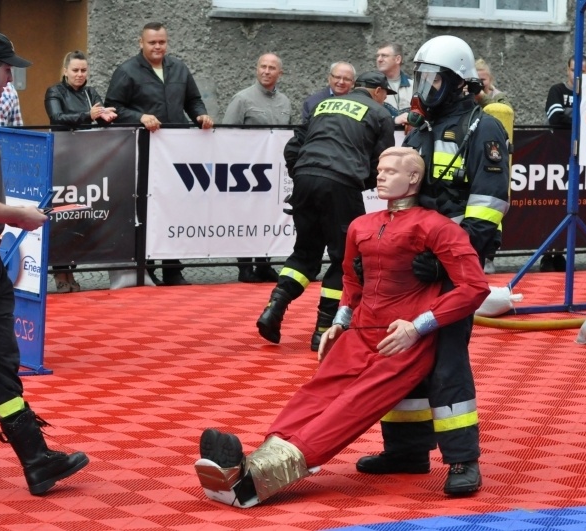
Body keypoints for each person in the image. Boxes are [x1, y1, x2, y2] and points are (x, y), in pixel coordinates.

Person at [195, 147, 490, 508]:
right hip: (360, 331)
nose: (379, 176)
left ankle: (253, 481)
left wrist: (418, 327)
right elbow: (352, 278)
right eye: (379, 169)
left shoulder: (436, 226)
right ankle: (252, 462)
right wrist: (339, 322)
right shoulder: (361, 225)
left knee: (350, 406)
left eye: (390, 171)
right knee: (314, 394)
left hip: (402, 339)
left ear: (414, 178)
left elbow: (474, 287)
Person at [356, 35, 510, 496]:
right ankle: (406, 451)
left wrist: (444, 261)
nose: (424, 85)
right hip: (412, 264)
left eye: (433, 77)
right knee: (399, 352)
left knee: (446, 362)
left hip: (453, 267)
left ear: (459, 84)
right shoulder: (421, 128)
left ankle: (463, 460)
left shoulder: (483, 130)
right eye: (420, 75)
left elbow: (486, 210)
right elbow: (405, 198)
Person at [0, 30, 89, 495]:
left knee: (1, 359)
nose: (11, 80)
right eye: (6, 70)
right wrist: (15, 214)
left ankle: (36, 459)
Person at [256, 71, 396, 352]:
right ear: (378, 91)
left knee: (305, 253)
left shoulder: (324, 105)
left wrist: (303, 173)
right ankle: (323, 330)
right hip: (342, 184)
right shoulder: (380, 115)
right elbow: (383, 162)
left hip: (305, 178)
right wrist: (358, 180)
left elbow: (292, 147)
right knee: (344, 258)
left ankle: (275, 306)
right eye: (385, 95)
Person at [105, 21, 214, 287]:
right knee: (148, 210)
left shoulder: (179, 68)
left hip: (176, 152)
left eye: (162, 42)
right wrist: (139, 117)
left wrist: (200, 114)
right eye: (152, 42)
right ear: (140, 43)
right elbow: (112, 109)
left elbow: (193, 100)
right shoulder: (126, 71)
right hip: (142, 152)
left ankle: (173, 270)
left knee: (176, 209)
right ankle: (147, 267)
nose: (157, 47)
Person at [44, 50, 117, 293]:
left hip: (86, 161)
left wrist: (107, 116)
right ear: (65, 71)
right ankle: (59, 273)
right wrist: (88, 115)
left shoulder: (91, 93)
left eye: (83, 70)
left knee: (79, 216)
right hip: (62, 159)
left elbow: (101, 118)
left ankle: (72, 270)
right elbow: (57, 117)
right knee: (61, 216)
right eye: (75, 70)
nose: (79, 74)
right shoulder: (55, 91)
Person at [222, 53, 290, 284]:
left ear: (280, 73)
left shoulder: (285, 102)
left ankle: (264, 264)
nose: (266, 71)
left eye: (272, 68)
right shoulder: (242, 99)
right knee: (245, 216)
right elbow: (227, 134)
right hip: (245, 171)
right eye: (263, 66)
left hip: (274, 172)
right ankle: (244, 266)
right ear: (256, 69)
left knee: (268, 216)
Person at [541, 55, 586, 272]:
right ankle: (547, 255)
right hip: (556, 157)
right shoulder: (557, 90)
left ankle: (561, 253)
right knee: (551, 206)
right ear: (567, 70)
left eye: (582, 70)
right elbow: (555, 118)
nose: (577, 74)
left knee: (576, 206)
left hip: (584, 159)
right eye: (573, 70)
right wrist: (584, 121)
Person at [474, 58, 511, 274]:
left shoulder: (499, 97)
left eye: (483, 79)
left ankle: (490, 255)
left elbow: (504, 113)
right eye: (475, 80)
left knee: (493, 207)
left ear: (491, 79)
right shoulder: (465, 95)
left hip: (494, 154)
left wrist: (481, 96)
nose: (479, 83)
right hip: (473, 152)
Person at [375, 43, 413, 126]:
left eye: (384, 55)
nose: (379, 59)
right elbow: (369, 119)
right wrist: (394, 120)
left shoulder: (414, 87)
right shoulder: (372, 87)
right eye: (377, 56)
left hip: (410, 137)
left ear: (398, 59)